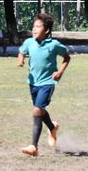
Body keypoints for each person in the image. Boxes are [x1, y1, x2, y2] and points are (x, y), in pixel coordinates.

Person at [17, 14, 71, 156]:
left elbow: (67, 57)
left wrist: (60, 72)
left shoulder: (54, 45)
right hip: (33, 82)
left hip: (48, 82)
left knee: (37, 111)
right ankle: (52, 127)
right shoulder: (29, 42)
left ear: (46, 30)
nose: (34, 29)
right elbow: (21, 52)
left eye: (38, 26)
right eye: (34, 26)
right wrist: (21, 60)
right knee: (39, 111)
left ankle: (34, 146)